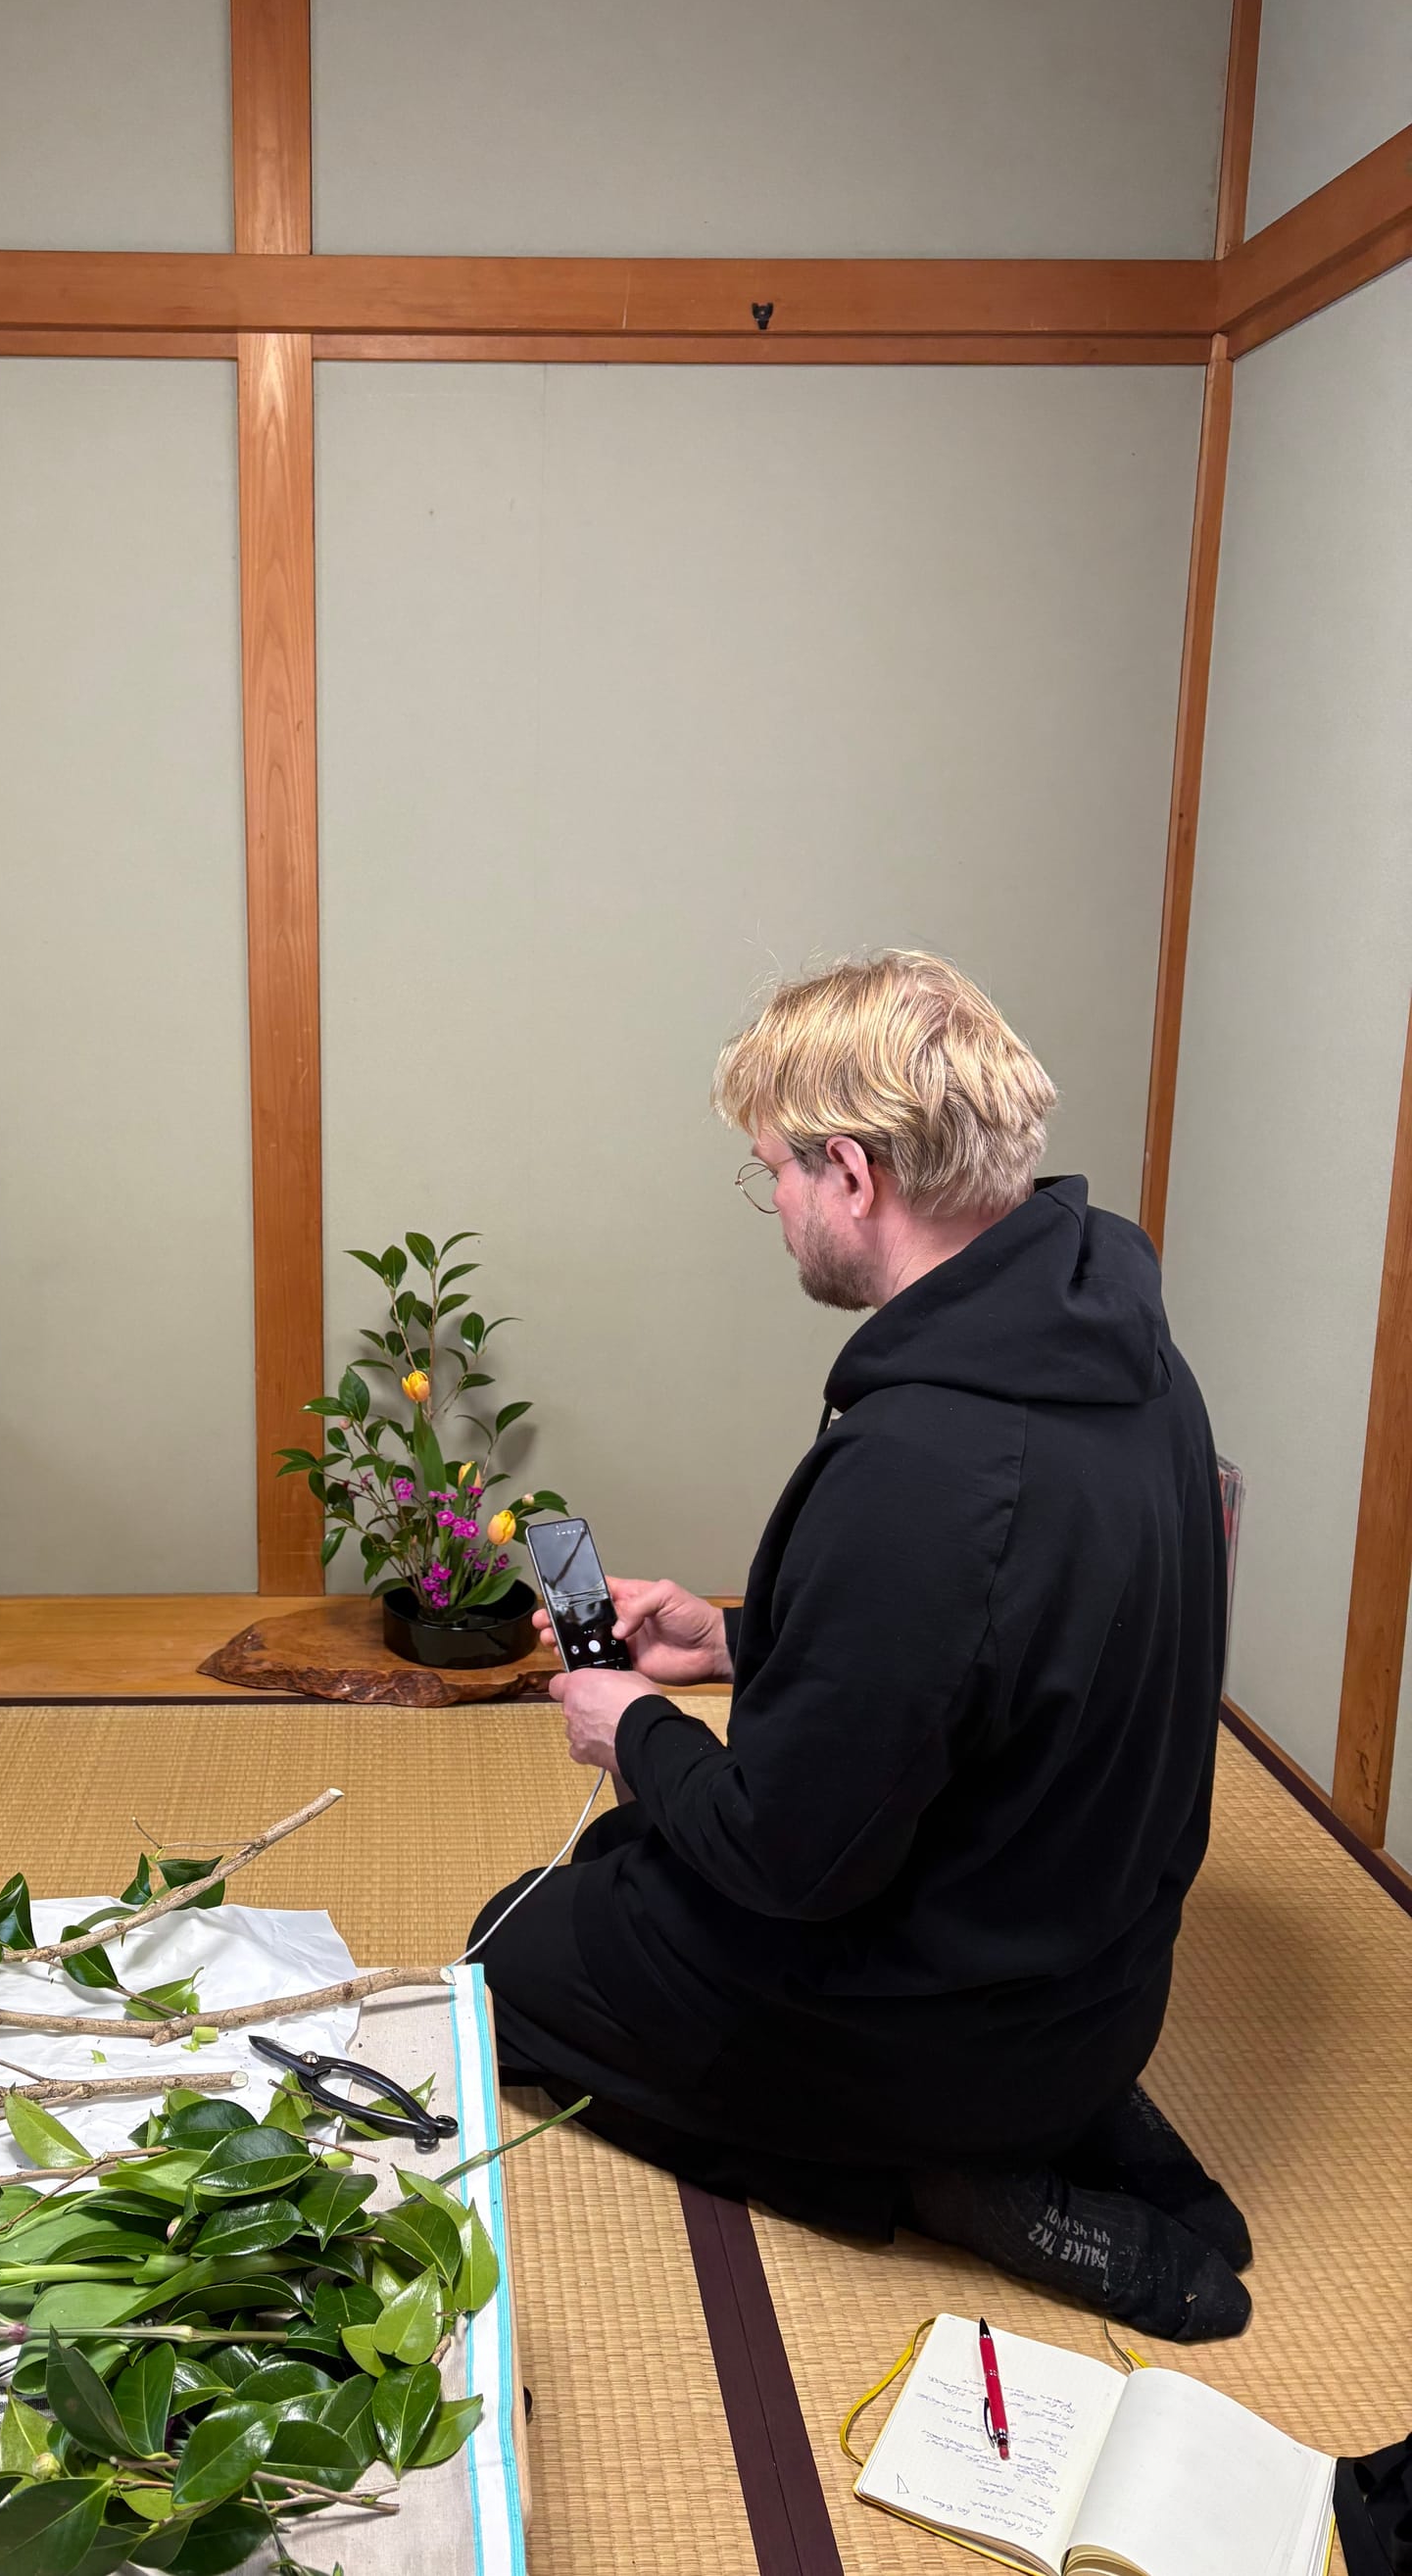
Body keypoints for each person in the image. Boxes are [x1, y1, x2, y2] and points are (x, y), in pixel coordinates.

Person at [469, 950, 1251, 2341]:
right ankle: (1057, 2107)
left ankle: (941, 2176)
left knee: (518, 1949)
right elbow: (998, 1650)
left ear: (851, 1172)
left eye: (769, 1169)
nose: (769, 1206)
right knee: (622, 1872)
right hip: (1097, 1976)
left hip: (952, 2034)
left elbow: (791, 1862)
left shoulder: (923, 1464)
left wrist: (627, 1731)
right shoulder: (1130, 1362)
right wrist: (728, 1642)